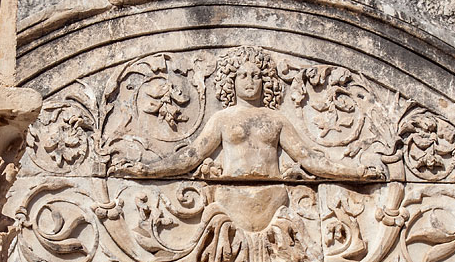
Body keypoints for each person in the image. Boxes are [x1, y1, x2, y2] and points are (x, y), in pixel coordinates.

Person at [112, 46, 382, 180]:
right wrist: (146, 169)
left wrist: (355, 172)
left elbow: (308, 158)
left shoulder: (277, 119)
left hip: (273, 195)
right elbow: (191, 156)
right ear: (231, 81)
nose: (250, 80)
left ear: (265, 80)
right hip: (230, 196)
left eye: (255, 75)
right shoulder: (222, 119)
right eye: (242, 75)